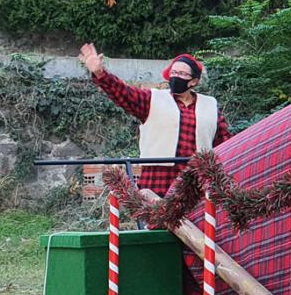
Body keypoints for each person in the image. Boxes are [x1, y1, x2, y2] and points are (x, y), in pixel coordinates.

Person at [79, 44, 232, 197]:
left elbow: (225, 144)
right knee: (157, 219)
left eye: (181, 74)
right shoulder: (152, 99)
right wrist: (100, 73)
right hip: (159, 178)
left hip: (197, 180)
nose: (175, 76)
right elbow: (123, 93)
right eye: (173, 72)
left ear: (193, 81)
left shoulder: (210, 105)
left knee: (200, 220)